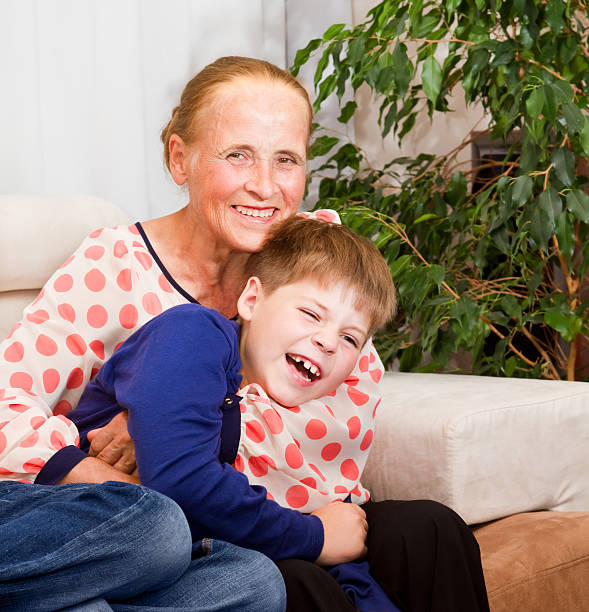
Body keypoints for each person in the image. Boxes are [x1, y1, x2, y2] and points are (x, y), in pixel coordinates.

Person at [0, 55, 487, 611]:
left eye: (287, 160)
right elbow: (5, 408)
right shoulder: (113, 266)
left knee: (429, 530)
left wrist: (173, 419)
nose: (265, 187)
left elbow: (342, 411)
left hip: (289, 495)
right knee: (287, 580)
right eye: (238, 156)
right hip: (165, 506)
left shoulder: (316, 254)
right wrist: (149, 450)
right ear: (179, 158)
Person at [70, 216, 488, 612]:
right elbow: (183, 481)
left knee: (429, 527)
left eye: (349, 338)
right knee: (295, 580)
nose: (327, 341)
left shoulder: (314, 405)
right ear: (252, 299)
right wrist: (318, 536)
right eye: (311, 313)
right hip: (171, 539)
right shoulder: (194, 334)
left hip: (277, 525)